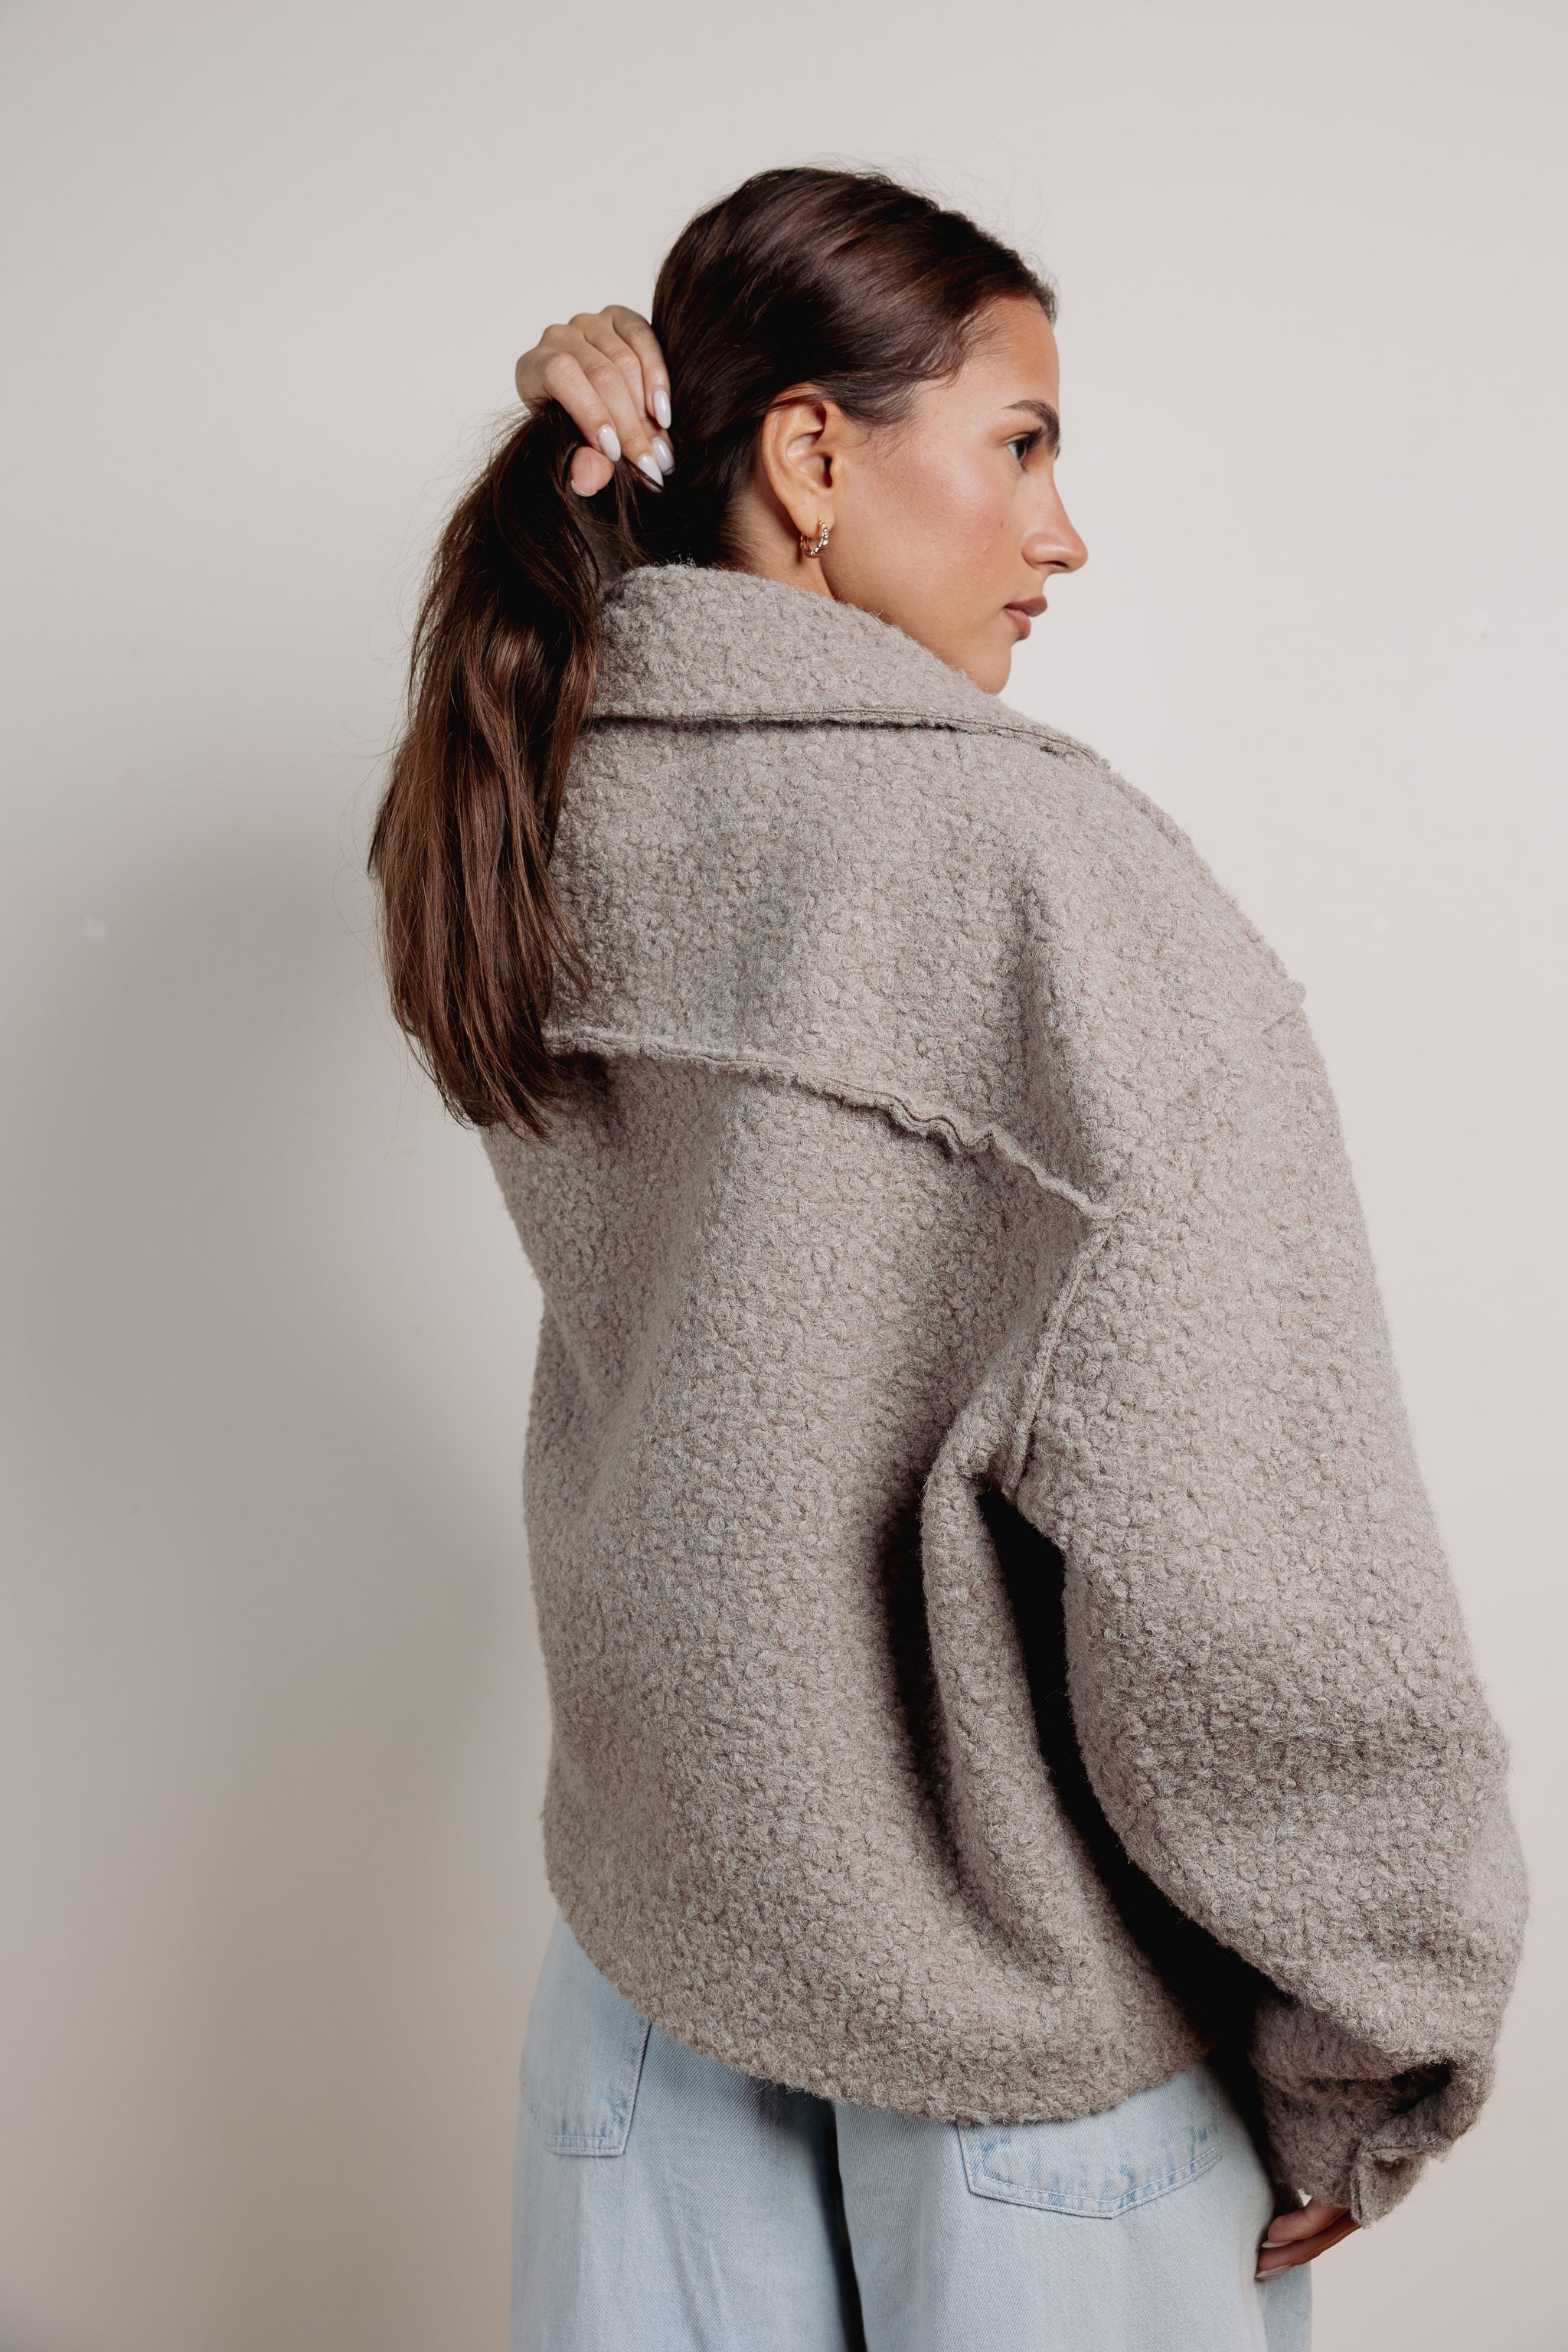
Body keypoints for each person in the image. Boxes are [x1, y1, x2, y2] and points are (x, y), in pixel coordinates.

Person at [369, 166, 1526, 2351]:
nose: (1063, 533)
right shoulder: (1046, 882)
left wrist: (601, 455)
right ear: (810, 457)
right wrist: (1380, 2030)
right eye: (1022, 442)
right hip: (1025, 2069)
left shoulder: (527, 814)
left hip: (641, 2004)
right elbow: (1255, 1565)